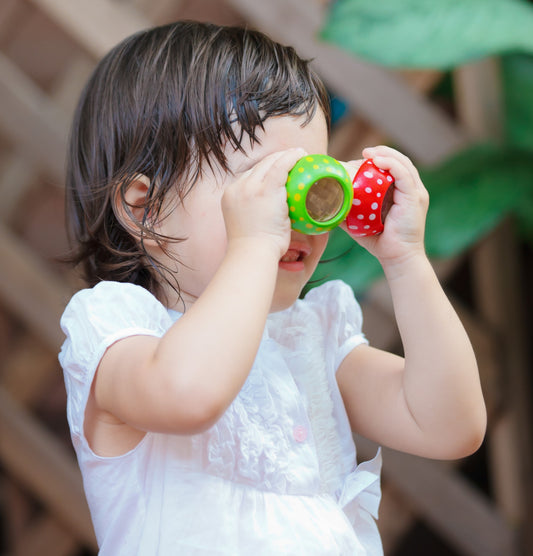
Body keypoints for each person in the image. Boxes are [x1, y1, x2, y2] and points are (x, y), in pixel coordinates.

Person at [59, 20, 486, 556]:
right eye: (265, 186)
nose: (297, 214)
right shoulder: (117, 334)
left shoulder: (312, 339)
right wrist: (255, 242)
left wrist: (407, 262)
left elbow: (449, 425)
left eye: (310, 181)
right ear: (143, 207)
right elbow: (190, 393)